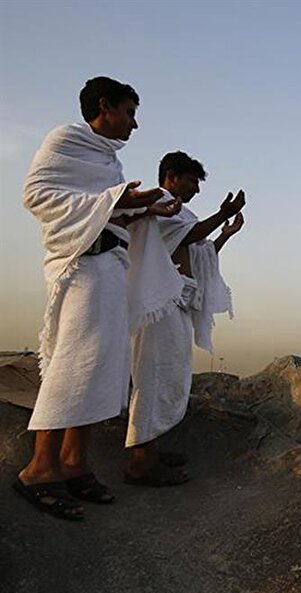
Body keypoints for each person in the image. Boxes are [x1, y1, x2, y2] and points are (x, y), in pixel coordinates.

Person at [16, 76, 181, 519]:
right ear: (104, 106)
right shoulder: (66, 140)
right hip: (80, 267)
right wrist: (116, 199)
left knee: (101, 368)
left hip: (110, 268)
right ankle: (38, 468)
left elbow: (110, 213)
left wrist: (143, 207)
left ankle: (74, 462)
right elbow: (36, 196)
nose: (134, 124)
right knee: (72, 364)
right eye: (129, 112)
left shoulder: (109, 163)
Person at [125, 152, 245, 485]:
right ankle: (139, 462)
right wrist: (223, 212)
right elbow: (190, 237)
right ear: (171, 176)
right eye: (192, 180)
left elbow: (200, 252)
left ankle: (151, 449)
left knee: (170, 376)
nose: (195, 188)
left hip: (178, 303)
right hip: (160, 304)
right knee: (153, 376)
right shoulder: (159, 204)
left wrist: (227, 232)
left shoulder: (181, 213)